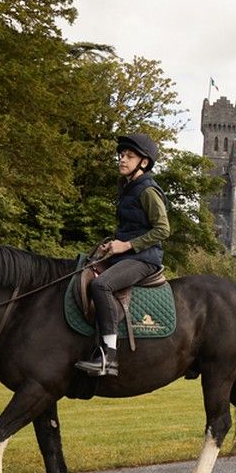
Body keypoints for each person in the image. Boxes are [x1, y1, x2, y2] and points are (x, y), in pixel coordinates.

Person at [75, 133, 171, 377]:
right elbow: (131, 228)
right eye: (121, 155)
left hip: (145, 259)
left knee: (101, 285)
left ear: (144, 163)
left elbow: (163, 230)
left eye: (129, 156)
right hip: (127, 255)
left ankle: (109, 356)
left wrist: (126, 245)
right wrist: (112, 246)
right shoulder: (128, 187)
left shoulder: (148, 191)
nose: (122, 159)